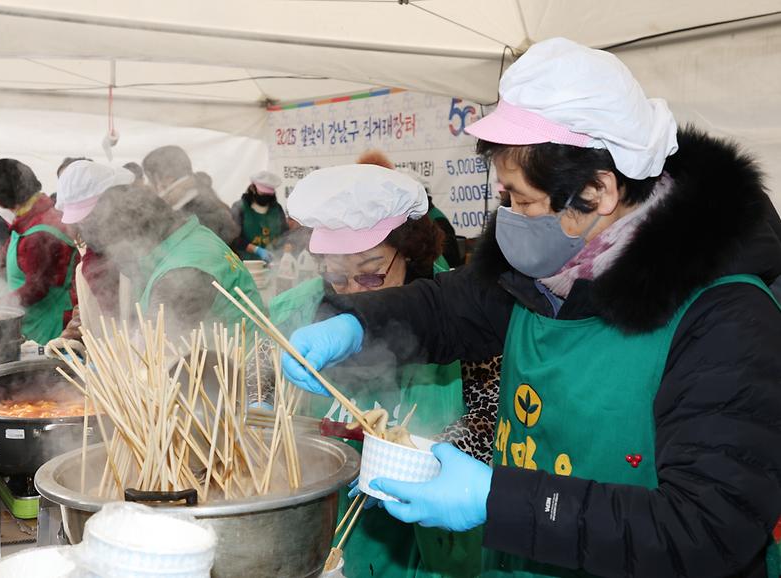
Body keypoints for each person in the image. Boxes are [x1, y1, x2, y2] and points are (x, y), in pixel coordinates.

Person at [280, 38, 781, 577]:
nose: (510, 218)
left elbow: (706, 527)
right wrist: (355, 324)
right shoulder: (555, 271)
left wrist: (502, 501)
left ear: (599, 190)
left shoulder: (727, 318)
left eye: (522, 200)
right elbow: (452, 307)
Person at [267, 163, 479, 578]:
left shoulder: (466, 319)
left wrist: (431, 458)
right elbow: (258, 374)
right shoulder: (298, 309)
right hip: (321, 542)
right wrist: (262, 398)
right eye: (336, 277)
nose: (352, 295)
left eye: (369, 275)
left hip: (427, 548)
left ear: (412, 253)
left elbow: (487, 420)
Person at [66, 171, 264, 341]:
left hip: (237, 376)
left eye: (116, 249)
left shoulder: (183, 270)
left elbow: (155, 350)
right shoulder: (191, 239)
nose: (117, 260)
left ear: (136, 236)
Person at [0, 159, 79, 345]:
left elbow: (36, 288)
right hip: (33, 316)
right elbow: (5, 254)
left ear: (6, 200)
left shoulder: (40, 231)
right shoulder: (27, 218)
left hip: (50, 321)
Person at [47, 160, 133, 354]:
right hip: (108, 358)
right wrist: (71, 338)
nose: (86, 225)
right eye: (81, 220)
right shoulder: (90, 249)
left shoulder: (139, 249)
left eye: (91, 216)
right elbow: (87, 303)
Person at [142, 145, 239, 245]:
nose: (149, 186)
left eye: (150, 180)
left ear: (167, 178)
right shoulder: (205, 203)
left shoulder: (200, 215)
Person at [231, 171, 288, 262]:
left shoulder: (277, 209)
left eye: (269, 194)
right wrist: (257, 250)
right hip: (246, 263)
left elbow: (285, 235)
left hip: (273, 262)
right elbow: (233, 238)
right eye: (262, 192)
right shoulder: (240, 208)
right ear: (253, 188)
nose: (265, 196)